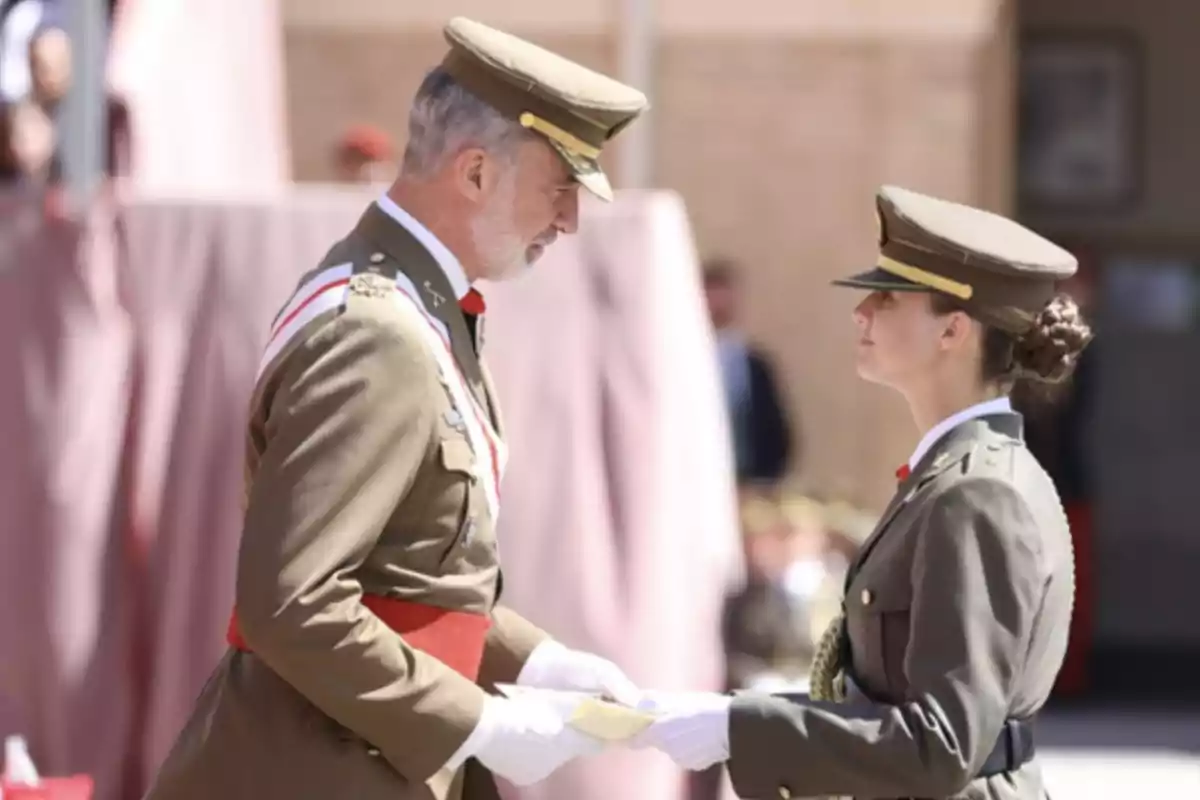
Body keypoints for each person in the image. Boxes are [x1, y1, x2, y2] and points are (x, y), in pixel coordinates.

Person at [144, 17, 648, 800]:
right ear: (476, 173)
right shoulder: (380, 331)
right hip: (313, 769)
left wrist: (537, 664)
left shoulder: (419, 308)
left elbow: (409, 582)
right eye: (560, 189)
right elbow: (291, 603)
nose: (569, 220)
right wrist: (477, 723)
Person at [634, 185, 1093, 800]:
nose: (862, 312)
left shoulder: (979, 492)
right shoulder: (960, 473)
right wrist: (730, 714)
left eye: (887, 297)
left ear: (952, 331)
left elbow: (941, 743)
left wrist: (739, 727)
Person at [703, 258, 795, 487]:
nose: (718, 304)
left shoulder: (754, 364)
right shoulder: (679, 361)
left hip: (745, 483)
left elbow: (775, 431)